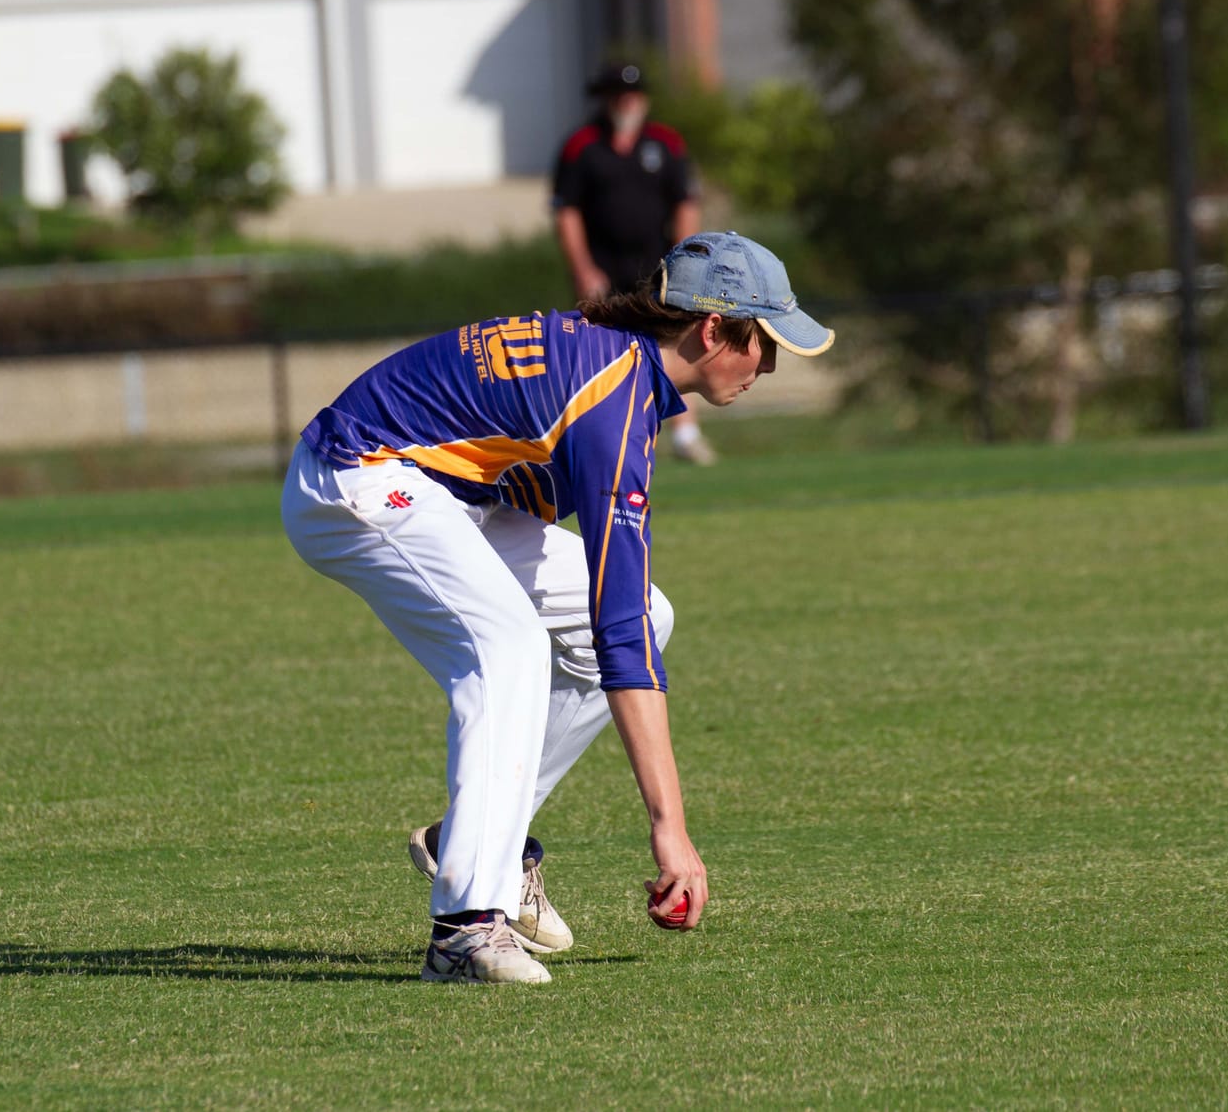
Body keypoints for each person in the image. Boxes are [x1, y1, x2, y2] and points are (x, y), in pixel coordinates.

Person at [281, 232, 834, 984]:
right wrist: (670, 829)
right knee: (510, 645)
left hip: (441, 491)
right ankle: (465, 928)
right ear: (713, 329)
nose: (768, 362)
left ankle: (475, 845)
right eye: (764, 339)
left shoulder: (620, 370)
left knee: (652, 612)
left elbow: (626, 618)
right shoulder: (613, 397)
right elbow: (618, 636)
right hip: (357, 477)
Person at [552, 59, 719, 466]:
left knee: (675, 342)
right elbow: (567, 212)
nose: (627, 102)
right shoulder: (583, 145)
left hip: (658, 264)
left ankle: (685, 432)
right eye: (619, 94)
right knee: (598, 348)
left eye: (633, 94)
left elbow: (685, 203)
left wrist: (686, 261)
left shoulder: (664, 143)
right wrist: (583, 268)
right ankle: (600, 433)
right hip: (604, 266)